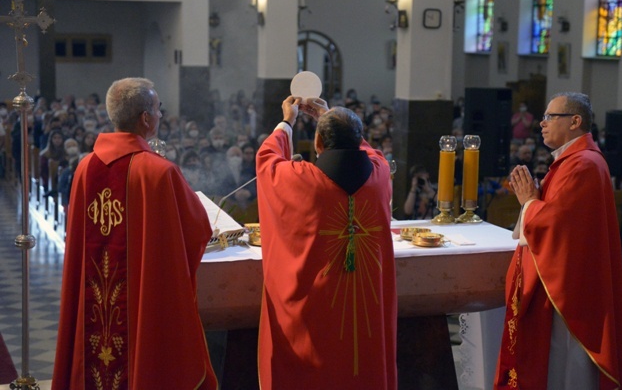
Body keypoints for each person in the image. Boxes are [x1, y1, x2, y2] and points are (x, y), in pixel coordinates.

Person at [52, 78, 217, 390]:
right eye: (158, 110)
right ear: (146, 119)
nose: (160, 116)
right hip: (141, 304)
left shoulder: (85, 168)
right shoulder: (159, 172)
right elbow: (196, 231)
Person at [256, 96, 397, 389]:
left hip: (317, 315)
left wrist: (288, 121)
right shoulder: (380, 174)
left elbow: (267, 160)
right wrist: (329, 114)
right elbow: (369, 150)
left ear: (318, 143)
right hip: (366, 315)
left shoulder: (301, 180)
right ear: (358, 139)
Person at [495, 92, 622, 389]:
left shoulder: (583, 164)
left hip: (570, 293)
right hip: (564, 283)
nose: (542, 124)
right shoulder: (570, 162)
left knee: (565, 369)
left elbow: (557, 227)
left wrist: (528, 201)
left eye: (549, 117)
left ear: (575, 121)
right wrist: (530, 202)